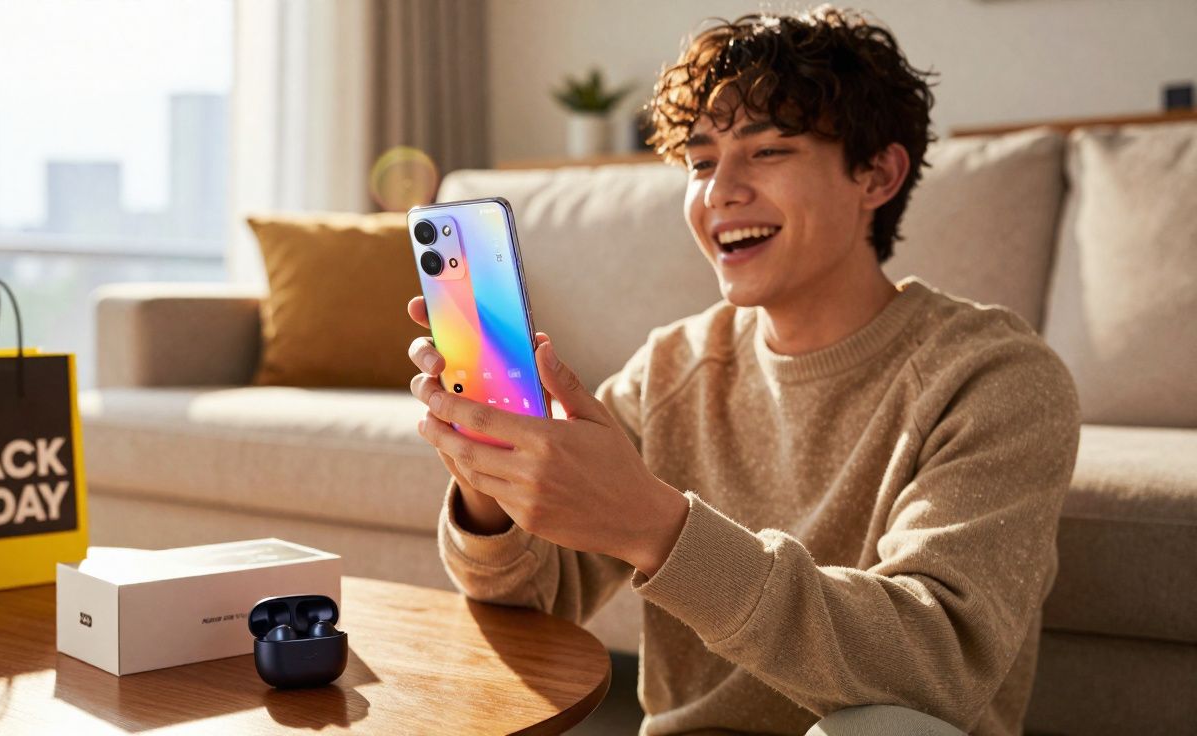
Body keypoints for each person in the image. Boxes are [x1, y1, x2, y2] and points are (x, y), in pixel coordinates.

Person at [405, 6, 1079, 735]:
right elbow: (536, 603)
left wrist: (658, 528)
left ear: (877, 175)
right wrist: (490, 486)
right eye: (699, 162)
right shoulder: (671, 367)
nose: (719, 191)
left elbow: (932, 666)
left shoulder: (994, 377)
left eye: (767, 152)